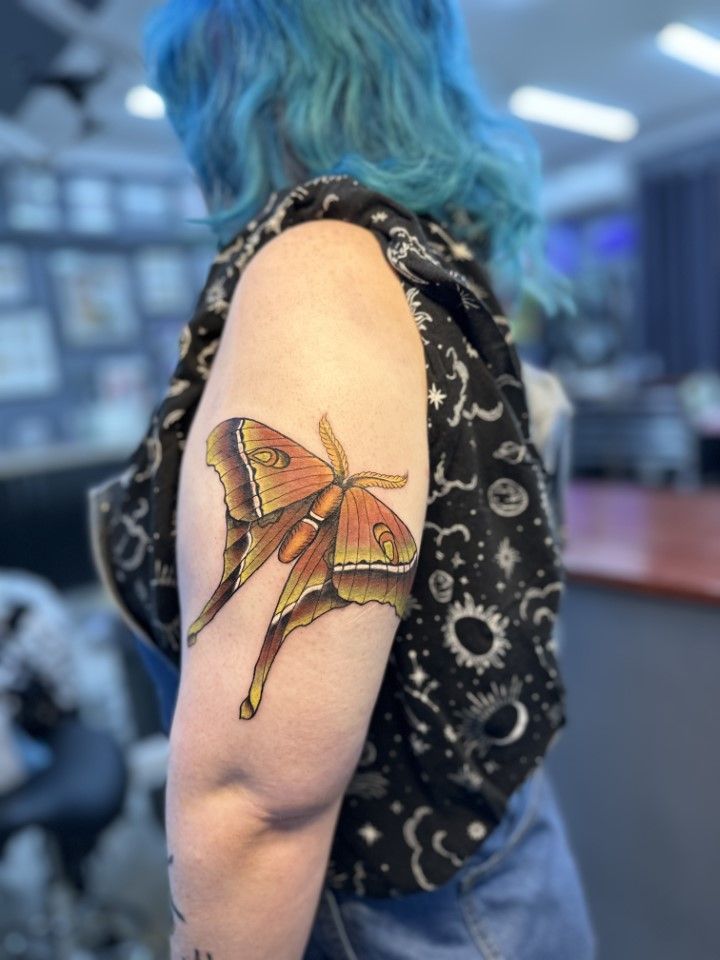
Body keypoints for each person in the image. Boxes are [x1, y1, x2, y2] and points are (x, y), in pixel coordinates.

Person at [89, 1, 597, 957]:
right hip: (502, 870)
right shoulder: (442, 269)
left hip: (393, 925)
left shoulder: (319, 268)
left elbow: (255, 805)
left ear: (236, 89)